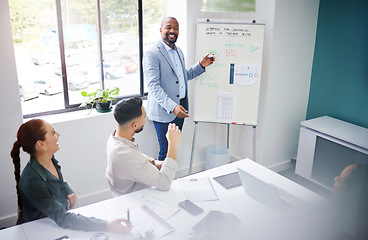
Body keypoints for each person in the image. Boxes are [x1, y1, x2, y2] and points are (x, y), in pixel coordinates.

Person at [10, 119, 132, 233]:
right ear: (41, 145)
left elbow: (58, 180)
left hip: (55, 217)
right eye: (53, 133)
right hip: (41, 228)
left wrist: (66, 189)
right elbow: (63, 218)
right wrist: (107, 226)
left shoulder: (48, 157)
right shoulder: (32, 180)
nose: (58, 134)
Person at [143, 16, 214, 160]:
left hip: (180, 109)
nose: (172, 31)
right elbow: (153, 86)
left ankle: (170, 180)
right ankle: (162, 182)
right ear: (161, 30)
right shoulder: (152, 53)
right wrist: (172, 106)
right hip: (165, 111)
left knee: (173, 150)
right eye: (168, 27)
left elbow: (182, 76)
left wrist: (200, 66)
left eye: (176, 28)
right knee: (166, 152)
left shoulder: (178, 51)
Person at [106, 97, 181, 196]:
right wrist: (173, 144)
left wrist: (154, 162)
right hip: (135, 201)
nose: (146, 119)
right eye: (144, 116)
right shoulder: (126, 154)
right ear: (134, 125)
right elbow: (165, 182)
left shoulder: (115, 137)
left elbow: (135, 155)